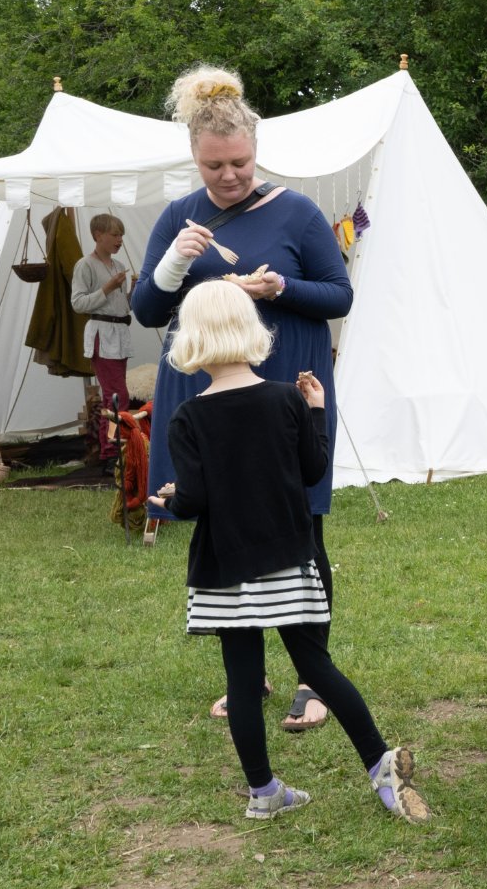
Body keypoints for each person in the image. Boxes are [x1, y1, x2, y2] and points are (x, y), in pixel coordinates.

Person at [148, 279, 428, 823]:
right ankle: (379, 767)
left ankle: (263, 793)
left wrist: (173, 499)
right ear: (251, 330)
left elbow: (197, 499)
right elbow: (312, 470)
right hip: (287, 559)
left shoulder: (188, 418)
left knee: (243, 681)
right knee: (316, 667)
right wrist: (316, 410)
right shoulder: (285, 399)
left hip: (224, 569)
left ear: (192, 339)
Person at [131, 65, 349, 730]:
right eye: (214, 165)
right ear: (196, 158)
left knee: (299, 533)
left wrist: (279, 288)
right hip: (213, 402)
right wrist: (174, 264)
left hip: (284, 394)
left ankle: (314, 681)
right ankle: (245, 677)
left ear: (255, 150)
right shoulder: (179, 216)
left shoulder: (297, 212)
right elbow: (145, 309)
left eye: (240, 162)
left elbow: (339, 295)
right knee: (226, 536)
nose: (228, 176)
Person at [70, 213, 133, 461]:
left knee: (115, 394)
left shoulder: (117, 266)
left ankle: (117, 447)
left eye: (122, 235)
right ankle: (111, 451)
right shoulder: (85, 265)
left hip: (119, 333)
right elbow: (78, 303)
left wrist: (133, 290)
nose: (120, 240)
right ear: (98, 235)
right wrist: (107, 288)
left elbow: (122, 307)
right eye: (115, 235)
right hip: (102, 335)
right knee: (117, 395)